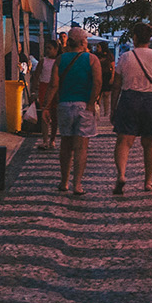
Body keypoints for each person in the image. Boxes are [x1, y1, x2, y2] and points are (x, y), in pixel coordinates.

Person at [113, 23, 152, 194]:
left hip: (129, 98)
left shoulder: (125, 57)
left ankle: (122, 175)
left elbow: (116, 85)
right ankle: (148, 182)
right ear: (150, 38)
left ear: (135, 38)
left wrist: (112, 109)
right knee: (150, 143)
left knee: (124, 141)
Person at [50, 27, 102, 193]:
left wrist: (45, 106)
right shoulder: (92, 59)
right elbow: (98, 83)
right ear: (82, 42)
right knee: (81, 147)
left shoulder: (60, 60)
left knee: (65, 145)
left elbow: (53, 84)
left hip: (65, 105)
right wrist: (91, 103)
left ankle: (63, 182)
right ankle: (77, 184)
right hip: (84, 106)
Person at [34, 44, 60, 148]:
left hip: (56, 88)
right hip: (44, 87)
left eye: (50, 48)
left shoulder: (59, 61)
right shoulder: (43, 61)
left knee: (55, 116)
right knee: (44, 113)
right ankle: (45, 140)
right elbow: (36, 75)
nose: (47, 50)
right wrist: (33, 91)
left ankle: (52, 139)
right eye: (47, 48)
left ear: (56, 49)